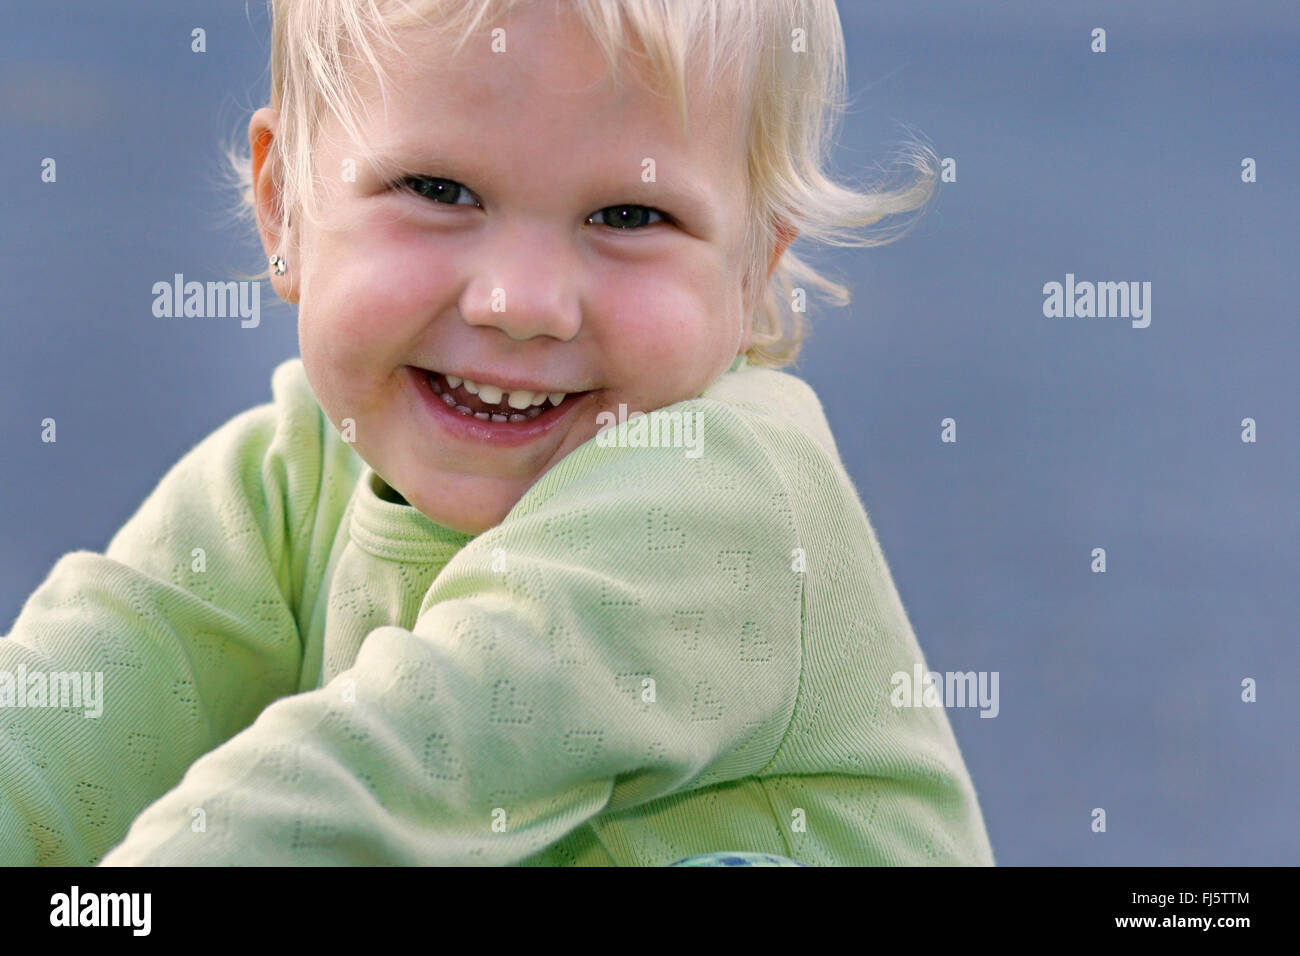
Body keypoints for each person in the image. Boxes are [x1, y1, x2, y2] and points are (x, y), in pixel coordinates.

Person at [0, 0, 995, 865]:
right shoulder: (286, 475)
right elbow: (61, 720)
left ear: (748, 274)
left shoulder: (720, 488)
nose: (522, 303)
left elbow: (382, 780)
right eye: (439, 192)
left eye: (628, 213)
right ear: (284, 205)